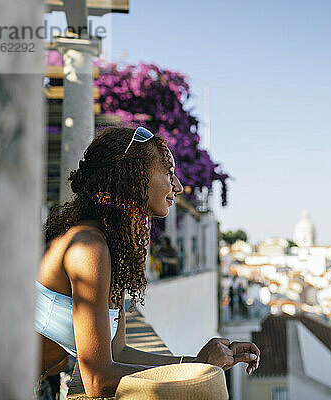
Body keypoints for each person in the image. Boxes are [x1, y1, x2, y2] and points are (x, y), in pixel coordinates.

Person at [35, 126, 260, 398]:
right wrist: (194, 373)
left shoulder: (107, 246)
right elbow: (97, 380)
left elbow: (118, 353)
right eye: (168, 173)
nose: (177, 186)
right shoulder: (88, 248)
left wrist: (197, 363)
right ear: (134, 178)